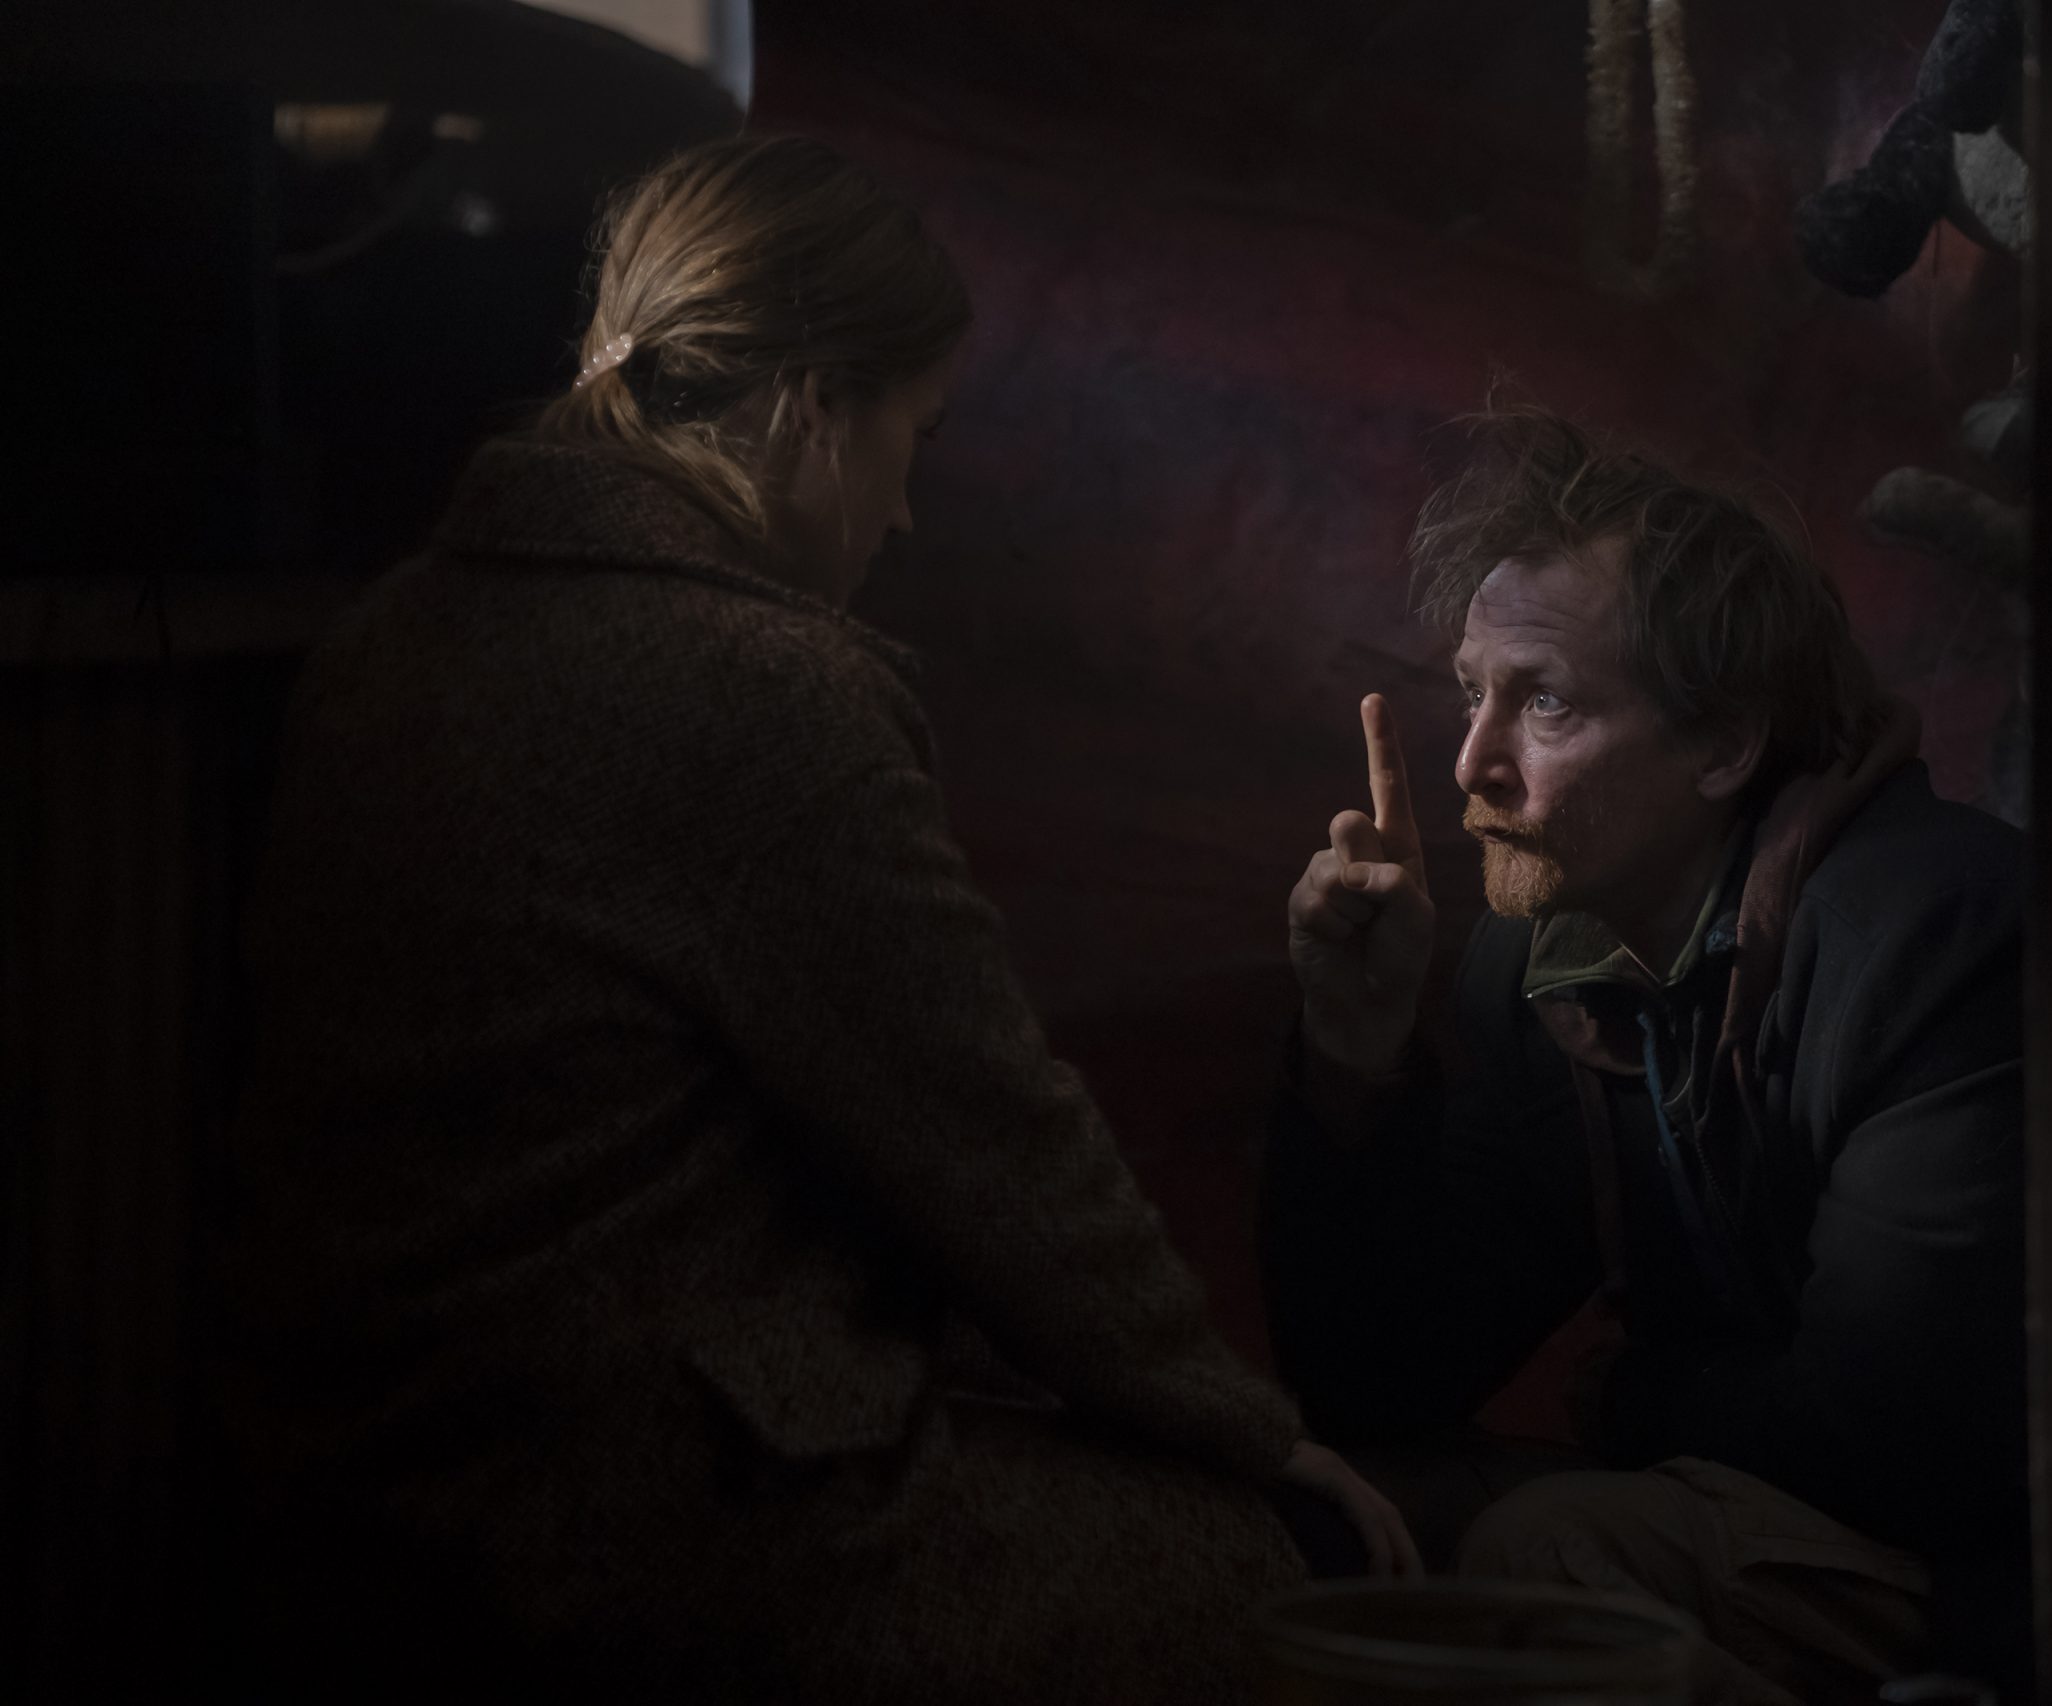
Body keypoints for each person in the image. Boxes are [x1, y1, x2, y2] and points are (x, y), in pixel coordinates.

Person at [221, 133, 1412, 1706]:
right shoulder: (760, 689)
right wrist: (1255, 1438)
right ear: (812, 409)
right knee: (1283, 1578)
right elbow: (996, 1148)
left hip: (353, 1485)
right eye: (914, 435)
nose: (905, 511)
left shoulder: (387, 636)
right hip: (623, 1515)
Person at [1260, 407, 2052, 1701]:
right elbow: (1382, 1380)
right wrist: (1355, 1054)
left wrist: (1626, 1396)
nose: (1474, 763)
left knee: (1551, 1552)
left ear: (1726, 743)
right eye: (1475, 692)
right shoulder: (1546, 970)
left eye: (1546, 702)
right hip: (1883, 1531)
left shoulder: (1942, 941)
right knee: (1351, 1518)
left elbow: (1886, 1433)